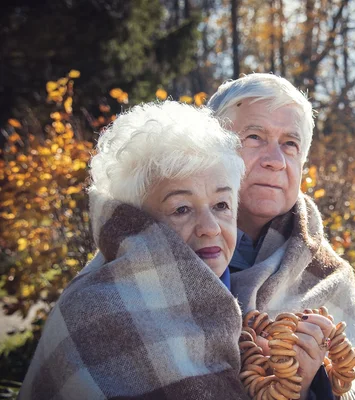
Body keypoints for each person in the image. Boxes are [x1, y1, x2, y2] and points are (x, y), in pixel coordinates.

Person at [19, 102, 250, 399]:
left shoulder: (254, 300)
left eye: (221, 205)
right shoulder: (92, 312)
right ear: (136, 221)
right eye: (181, 209)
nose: (211, 228)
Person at [207, 73, 355, 399]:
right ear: (211, 150)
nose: (276, 161)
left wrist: (309, 385)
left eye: (290, 144)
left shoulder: (326, 275)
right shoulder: (159, 252)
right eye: (254, 137)